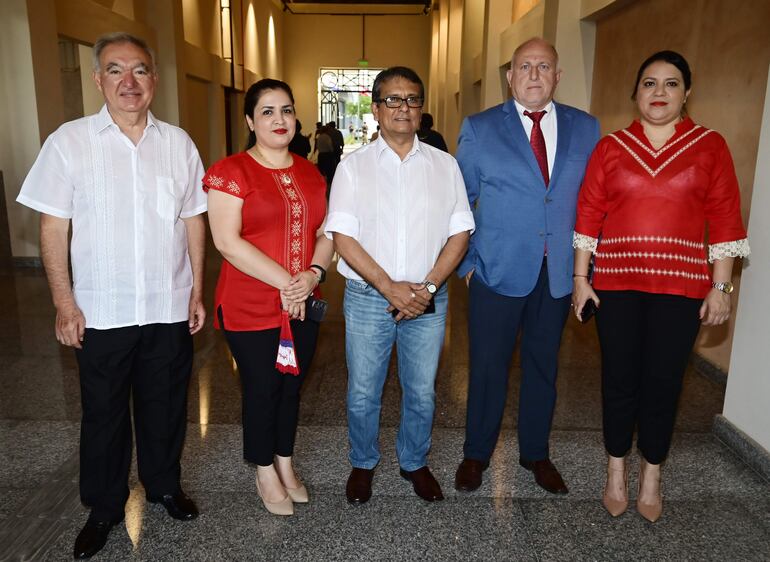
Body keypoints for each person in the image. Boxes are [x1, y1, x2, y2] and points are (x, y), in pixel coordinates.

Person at [16, 32, 206, 559]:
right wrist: (64, 301)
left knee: (166, 405)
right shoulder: (69, 141)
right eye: (115, 70)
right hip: (101, 310)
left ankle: (165, 486)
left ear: (154, 79)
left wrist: (195, 290)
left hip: (167, 304)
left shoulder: (179, 143)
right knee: (103, 413)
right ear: (98, 79)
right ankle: (104, 507)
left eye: (139, 70)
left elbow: (193, 221)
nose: (129, 81)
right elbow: (53, 229)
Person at [571, 50, 749, 522]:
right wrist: (580, 278)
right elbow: (589, 214)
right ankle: (614, 470)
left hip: (683, 289)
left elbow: (726, 221)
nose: (659, 93)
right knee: (619, 381)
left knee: (663, 384)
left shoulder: (711, 146)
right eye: (649, 83)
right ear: (636, 92)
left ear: (686, 93)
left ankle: (652, 472)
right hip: (616, 285)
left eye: (671, 84)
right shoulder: (611, 147)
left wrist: (722, 288)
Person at [454, 38, 600, 495]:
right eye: (524, 67)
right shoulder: (479, 128)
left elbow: (594, 204)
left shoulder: (586, 128)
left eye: (544, 67)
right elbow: (458, 203)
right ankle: (476, 454)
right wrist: (470, 265)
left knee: (543, 367)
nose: (534, 75)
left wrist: (585, 272)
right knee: (487, 368)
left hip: (556, 274)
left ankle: (535, 454)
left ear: (558, 76)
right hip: (496, 272)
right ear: (510, 76)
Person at [326, 66, 475, 504]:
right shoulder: (353, 167)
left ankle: (414, 461)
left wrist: (427, 288)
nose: (403, 107)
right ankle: (363, 461)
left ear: (421, 108)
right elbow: (342, 237)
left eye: (411, 99)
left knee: (422, 391)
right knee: (362, 391)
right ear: (375, 109)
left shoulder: (444, 166)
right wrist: (390, 287)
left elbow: (461, 232)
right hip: (371, 297)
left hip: (428, 299)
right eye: (393, 99)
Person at [204, 79, 333, 517]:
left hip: (303, 302)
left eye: (287, 111)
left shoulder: (311, 172)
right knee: (262, 389)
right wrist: (288, 283)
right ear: (250, 121)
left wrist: (313, 275)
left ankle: (285, 462)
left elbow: (325, 233)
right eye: (267, 111)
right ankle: (262, 470)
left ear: (297, 119)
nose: (279, 120)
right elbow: (226, 241)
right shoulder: (231, 171)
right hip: (250, 305)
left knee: (292, 387)